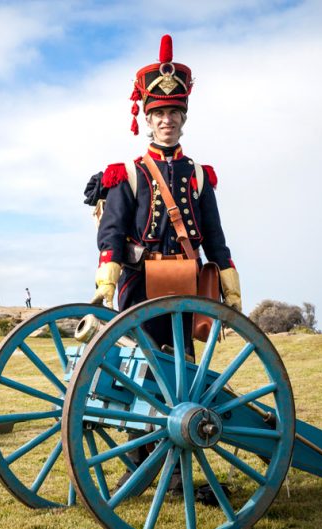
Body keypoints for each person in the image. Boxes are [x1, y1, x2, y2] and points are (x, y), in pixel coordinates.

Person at [85, 34, 241, 493]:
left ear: (183, 119)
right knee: (140, 378)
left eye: (174, 113)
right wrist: (105, 281)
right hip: (139, 287)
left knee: (182, 379)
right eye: (159, 115)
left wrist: (230, 287)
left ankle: (175, 469)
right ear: (147, 120)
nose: (167, 121)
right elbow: (111, 233)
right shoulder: (128, 174)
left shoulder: (197, 176)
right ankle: (142, 461)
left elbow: (214, 237)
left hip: (187, 289)